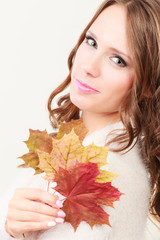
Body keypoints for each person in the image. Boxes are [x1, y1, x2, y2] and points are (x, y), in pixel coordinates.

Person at [0, 0, 160, 239]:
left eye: (118, 60)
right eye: (91, 42)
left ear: (147, 85)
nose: (88, 66)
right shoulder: (80, 149)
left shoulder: (102, 173)